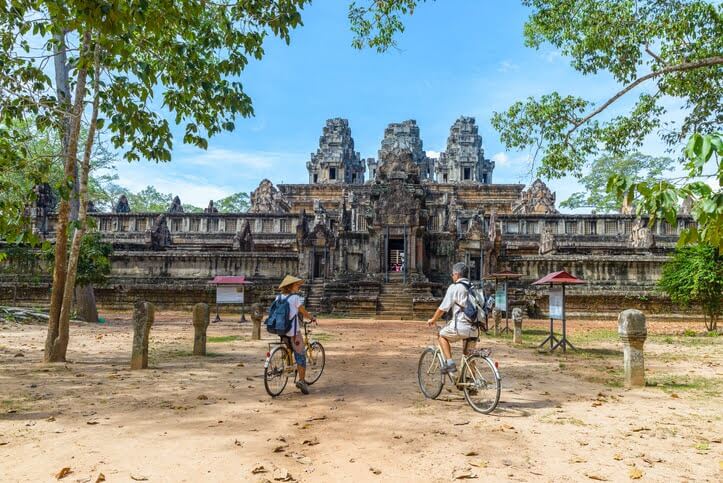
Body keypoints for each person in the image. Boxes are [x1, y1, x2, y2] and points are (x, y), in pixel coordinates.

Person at [426, 262, 478, 375]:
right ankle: (470, 383)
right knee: (468, 356)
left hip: (461, 326)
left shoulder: (454, 287)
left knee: (441, 335)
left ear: (457, 274)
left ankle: (450, 363)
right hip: (475, 328)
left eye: (452, 274)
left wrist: (433, 320)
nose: (452, 276)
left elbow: (442, 308)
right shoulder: (473, 287)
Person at [277, 275, 316, 394]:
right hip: (293, 331)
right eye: (297, 285)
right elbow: (303, 312)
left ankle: (288, 366)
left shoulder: (278, 297)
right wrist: (311, 317)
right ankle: (302, 381)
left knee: (290, 349)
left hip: (280, 330)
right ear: (290, 286)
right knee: (301, 355)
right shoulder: (295, 298)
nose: (299, 286)